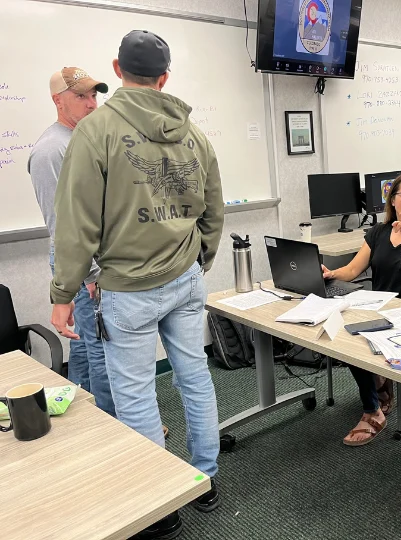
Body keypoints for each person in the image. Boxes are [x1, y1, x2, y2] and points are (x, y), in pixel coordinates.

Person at [49, 30, 224, 537]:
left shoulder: (94, 131)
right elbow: (213, 210)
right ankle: (206, 479)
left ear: (116, 69)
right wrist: (200, 260)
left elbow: (77, 223)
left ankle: (160, 506)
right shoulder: (195, 135)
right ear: (164, 77)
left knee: (135, 395)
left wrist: (63, 294)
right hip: (185, 278)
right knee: (195, 377)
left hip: (127, 288)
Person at [321, 173, 401, 446]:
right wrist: (331, 273)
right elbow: (353, 269)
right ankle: (378, 385)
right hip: (379, 310)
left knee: (357, 339)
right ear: (393, 199)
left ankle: (373, 411)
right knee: (342, 336)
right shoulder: (378, 232)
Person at [27, 68, 115, 417]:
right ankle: (116, 425)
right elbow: (61, 223)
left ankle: (85, 416)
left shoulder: (82, 140)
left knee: (84, 344)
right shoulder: (52, 150)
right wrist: (90, 273)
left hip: (91, 258)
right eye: (81, 96)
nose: (92, 104)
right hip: (80, 262)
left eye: (94, 96)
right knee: (102, 347)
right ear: (58, 101)